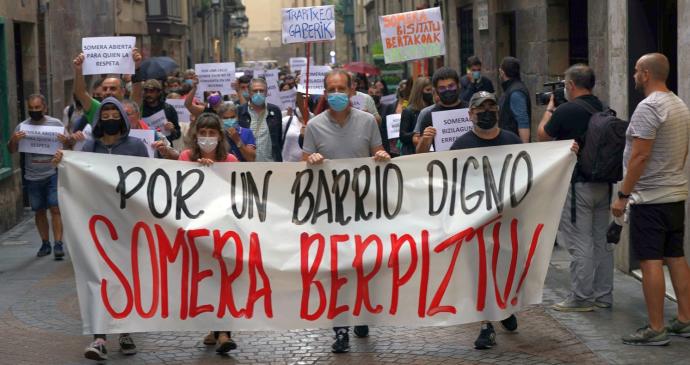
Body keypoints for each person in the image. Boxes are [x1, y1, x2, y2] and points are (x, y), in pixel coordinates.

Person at [301, 69, 391, 354]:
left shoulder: (368, 122)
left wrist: (381, 156)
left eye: (342, 88)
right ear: (325, 93)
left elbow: (379, 152)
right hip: (330, 213)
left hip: (364, 211)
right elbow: (303, 163)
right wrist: (311, 159)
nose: (337, 94)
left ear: (353, 91)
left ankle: (362, 314)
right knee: (337, 272)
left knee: (363, 268)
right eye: (331, 89)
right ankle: (340, 329)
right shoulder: (314, 126)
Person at [53, 97, 148, 361]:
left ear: (122, 117)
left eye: (112, 113)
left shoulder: (136, 147)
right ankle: (99, 337)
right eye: (103, 113)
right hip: (96, 225)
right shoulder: (89, 148)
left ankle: (126, 333)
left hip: (127, 226)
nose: (108, 117)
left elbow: (149, 181)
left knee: (127, 280)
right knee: (97, 279)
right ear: (98, 120)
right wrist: (64, 159)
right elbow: (75, 177)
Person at [612, 53, 690, 345]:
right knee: (676, 256)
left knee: (650, 260)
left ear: (645, 73)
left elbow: (640, 156)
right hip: (674, 193)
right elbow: (683, 151)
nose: (633, 75)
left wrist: (622, 195)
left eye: (635, 71)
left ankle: (655, 327)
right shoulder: (678, 104)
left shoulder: (649, 107)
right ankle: (685, 318)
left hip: (650, 198)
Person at [537, 64, 612, 312]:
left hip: (578, 184)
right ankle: (603, 295)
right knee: (600, 240)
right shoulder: (602, 107)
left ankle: (581, 297)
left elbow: (543, 136)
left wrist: (549, 109)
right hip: (604, 182)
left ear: (570, 85)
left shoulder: (566, 110)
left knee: (580, 241)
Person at [8, 94, 65, 259]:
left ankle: (58, 244)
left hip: (52, 172)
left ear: (44, 108)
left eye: (37, 108)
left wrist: (66, 139)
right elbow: (11, 150)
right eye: (31, 109)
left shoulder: (56, 124)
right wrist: (14, 140)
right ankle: (45, 243)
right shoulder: (22, 127)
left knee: (55, 208)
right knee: (39, 210)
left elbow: (68, 145)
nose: (34, 111)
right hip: (32, 176)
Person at [413, 67, 470, 153]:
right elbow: (420, 153)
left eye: (451, 86)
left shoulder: (471, 110)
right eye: (442, 88)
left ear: (458, 85)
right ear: (436, 90)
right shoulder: (429, 116)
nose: (447, 90)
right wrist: (425, 139)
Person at [236, 78, 283, 162]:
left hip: (271, 165)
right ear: (249, 93)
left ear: (266, 92)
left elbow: (278, 140)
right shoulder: (240, 111)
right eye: (255, 91)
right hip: (246, 166)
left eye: (261, 91)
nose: (258, 93)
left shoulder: (275, 111)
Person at [498, 57, 531, 142]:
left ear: (502, 72)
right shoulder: (510, 89)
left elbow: (523, 122)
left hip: (514, 146)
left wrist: (525, 149)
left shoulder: (516, 92)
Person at [140, 79, 182, 144]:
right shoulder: (140, 109)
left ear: (159, 92)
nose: (148, 94)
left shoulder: (168, 109)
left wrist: (172, 130)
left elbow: (178, 134)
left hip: (165, 148)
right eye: (146, 91)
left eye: (152, 91)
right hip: (145, 146)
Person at [399, 76, 433, 155]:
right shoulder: (409, 111)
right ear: (419, 92)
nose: (431, 92)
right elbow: (403, 136)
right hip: (413, 153)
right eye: (428, 90)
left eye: (432, 90)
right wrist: (419, 133)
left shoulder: (434, 108)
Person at [281, 92, 310, 162]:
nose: (304, 102)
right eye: (301, 99)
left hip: (306, 166)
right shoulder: (287, 120)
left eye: (306, 99)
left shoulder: (315, 121)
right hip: (286, 165)